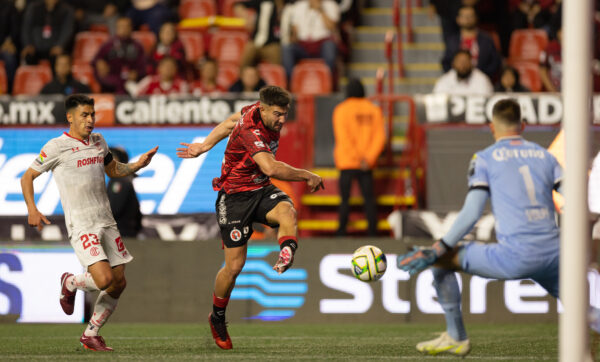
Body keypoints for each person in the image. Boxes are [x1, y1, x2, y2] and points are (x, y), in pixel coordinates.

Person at [397, 99, 561, 357]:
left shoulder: (485, 159)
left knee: (442, 260)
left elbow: (472, 213)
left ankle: (456, 336)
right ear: (524, 125)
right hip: (556, 253)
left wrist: (439, 247)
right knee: (586, 310)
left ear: (491, 127)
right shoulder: (547, 157)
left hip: (515, 256)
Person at [176, 85, 324, 350]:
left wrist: (205, 146)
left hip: (260, 189)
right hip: (233, 198)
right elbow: (270, 167)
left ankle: (287, 251)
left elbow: (229, 121)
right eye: (277, 114)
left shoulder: (252, 112)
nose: (282, 120)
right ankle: (217, 317)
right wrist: (307, 175)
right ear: (264, 108)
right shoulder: (251, 129)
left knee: (287, 210)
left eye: (285, 114)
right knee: (234, 267)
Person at [20, 94, 158, 351]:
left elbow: (113, 170)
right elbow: (27, 177)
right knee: (104, 280)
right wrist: (32, 208)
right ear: (70, 117)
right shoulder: (55, 147)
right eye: (84, 115)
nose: (90, 119)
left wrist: (137, 165)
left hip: (106, 221)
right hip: (82, 224)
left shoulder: (98, 141)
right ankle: (70, 282)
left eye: (92, 114)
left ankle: (91, 334)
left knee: (119, 283)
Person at [332, 78, 385, 237]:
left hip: (347, 162)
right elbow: (380, 137)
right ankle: (372, 232)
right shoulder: (374, 110)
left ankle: (341, 231)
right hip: (366, 165)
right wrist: (368, 158)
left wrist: (356, 157)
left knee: (345, 199)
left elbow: (344, 138)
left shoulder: (341, 110)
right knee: (369, 199)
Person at [282, 0, 340, 79]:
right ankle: (292, 82)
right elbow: (295, 29)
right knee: (287, 48)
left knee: (329, 46)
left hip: (321, 45)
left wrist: (320, 9)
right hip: (303, 45)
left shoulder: (330, 4)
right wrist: (292, 38)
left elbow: (331, 27)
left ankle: (326, 80)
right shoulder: (299, 5)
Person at [440, 5, 501, 80]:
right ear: (458, 19)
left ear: (476, 18)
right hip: (458, 81)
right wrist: (457, 75)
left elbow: (495, 62)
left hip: (481, 80)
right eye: (464, 16)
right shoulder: (452, 41)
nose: (467, 19)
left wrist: (482, 76)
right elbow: (446, 62)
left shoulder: (487, 40)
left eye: (470, 16)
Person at [93, 17, 146, 94]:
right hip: (112, 79)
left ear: (131, 28)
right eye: (121, 26)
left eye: (126, 26)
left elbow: (143, 67)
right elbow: (96, 60)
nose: (123, 29)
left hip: (130, 81)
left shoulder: (137, 46)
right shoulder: (109, 44)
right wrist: (99, 63)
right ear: (116, 28)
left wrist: (137, 73)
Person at [21, 0, 76, 65]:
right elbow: (26, 28)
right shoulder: (34, 8)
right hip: (35, 47)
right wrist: (28, 44)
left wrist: (60, 45)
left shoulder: (67, 10)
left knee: (59, 59)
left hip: (55, 48)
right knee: (28, 56)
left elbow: (67, 30)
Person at [234, 0, 285, 67]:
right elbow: (237, 5)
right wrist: (247, 18)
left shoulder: (286, 6)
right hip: (255, 42)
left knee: (278, 68)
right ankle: (242, 77)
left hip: (273, 44)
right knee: (243, 62)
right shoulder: (262, 2)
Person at [107, 146, 142, 238]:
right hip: (125, 234)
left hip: (120, 235)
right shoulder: (123, 179)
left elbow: (114, 209)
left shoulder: (119, 181)